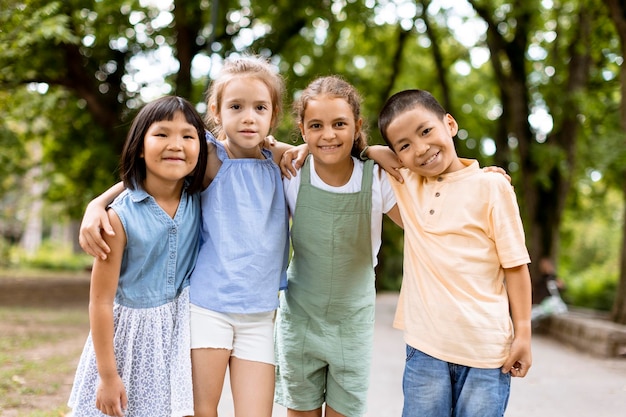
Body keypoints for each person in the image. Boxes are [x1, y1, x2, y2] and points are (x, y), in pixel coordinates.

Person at [78, 55, 291, 417]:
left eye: (260, 107)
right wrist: (98, 203)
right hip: (207, 307)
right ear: (216, 111)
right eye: (236, 106)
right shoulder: (208, 156)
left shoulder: (283, 162)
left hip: (260, 311)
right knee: (199, 411)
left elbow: (335, 157)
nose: (249, 116)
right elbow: (157, 170)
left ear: (274, 114)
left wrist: (372, 152)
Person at [377, 89, 533, 417]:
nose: (420, 148)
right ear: (398, 157)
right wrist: (375, 150)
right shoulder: (406, 185)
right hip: (426, 350)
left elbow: (516, 266)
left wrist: (524, 334)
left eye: (426, 131)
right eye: (404, 146)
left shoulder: (492, 187)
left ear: (449, 123)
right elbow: (345, 151)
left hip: (487, 353)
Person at [67, 95, 209, 417]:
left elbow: (245, 143)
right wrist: (107, 376)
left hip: (178, 333)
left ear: (201, 148)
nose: (176, 144)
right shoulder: (117, 219)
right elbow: (100, 302)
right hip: (129, 342)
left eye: (188, 136)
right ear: (140, 146)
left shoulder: (200, 197)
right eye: (162, 134)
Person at [274, 75, 404, 417]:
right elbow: (241, 147)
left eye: (339, 124)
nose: (328, 134)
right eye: (316, 125)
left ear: (357, 125)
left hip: (353, 323)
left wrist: (478, 177)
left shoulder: (376, 178)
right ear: (302, 130)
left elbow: (425, 222)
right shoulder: (291, 176)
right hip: (300, 319)